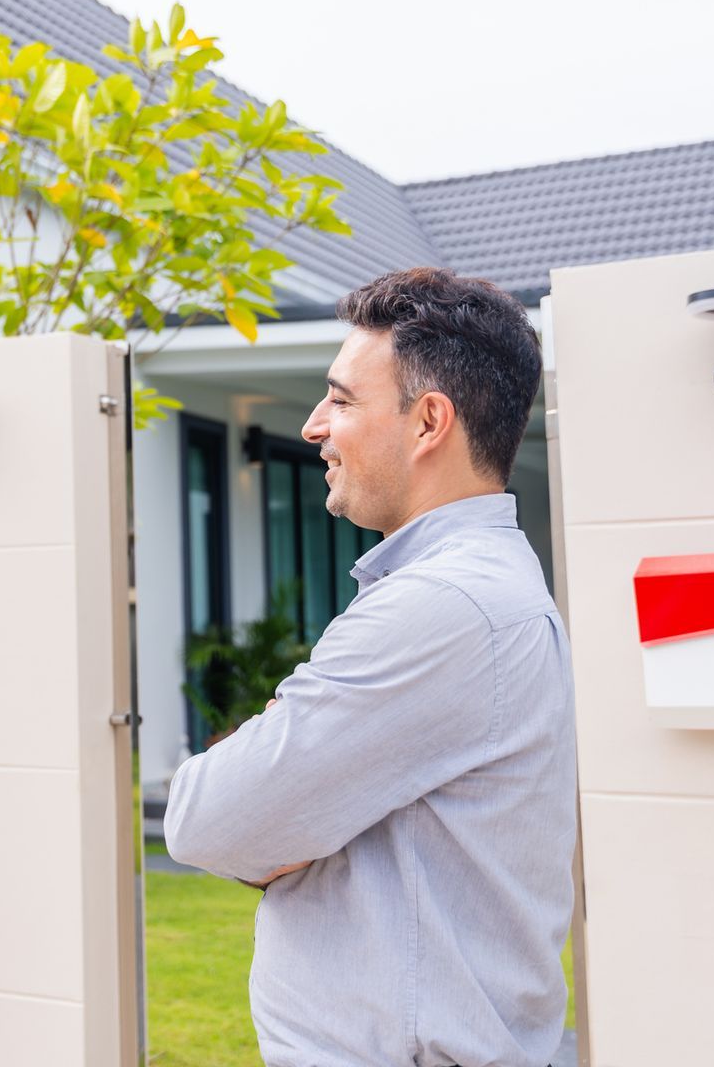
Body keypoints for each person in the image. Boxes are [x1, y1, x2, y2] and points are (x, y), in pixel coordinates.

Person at [164, 267, 575, 1067]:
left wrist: (278, 814)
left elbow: (204, 819)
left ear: (428, 422)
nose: (315, 426)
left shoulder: (442, 606)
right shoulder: (483, 590)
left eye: (343, 399)